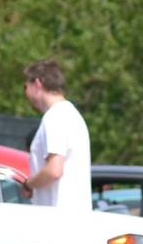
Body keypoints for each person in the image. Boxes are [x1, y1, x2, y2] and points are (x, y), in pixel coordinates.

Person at [24, 60, 92, 209]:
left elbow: (54, 170)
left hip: (58, 220)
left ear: (37, 84)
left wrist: (29, 184)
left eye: (26, 87)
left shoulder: (55, 117)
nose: (25, 93)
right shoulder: (71, 115)